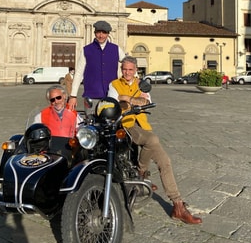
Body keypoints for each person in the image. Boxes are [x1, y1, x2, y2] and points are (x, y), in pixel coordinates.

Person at [107, 56, 202, 225]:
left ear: (136, 70)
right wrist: (130, 102)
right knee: (153, 139)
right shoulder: (113, 85)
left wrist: (128, 99)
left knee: (165, 161)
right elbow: (114, 104)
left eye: (130, 69)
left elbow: (146, 101)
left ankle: (178, 205)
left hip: (143, 126)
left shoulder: (142, 84)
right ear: (121, 69)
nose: (127, 72)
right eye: (124, 69)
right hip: (126, 126)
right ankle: (141, 172)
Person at [68, 20, 125, 112]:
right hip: (91, 95)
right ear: (95, 33)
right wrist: (73, 95)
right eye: (98, 32)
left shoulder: (116, 49)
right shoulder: (86, 50)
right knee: (91, 123)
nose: (101, 35)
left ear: (108, 34)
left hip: (111, 95)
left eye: (104, 33)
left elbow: (129, 65)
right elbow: (78, 73)